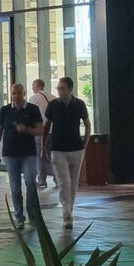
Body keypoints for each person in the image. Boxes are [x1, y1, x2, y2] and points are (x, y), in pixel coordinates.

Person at [43, 76, 91, 230]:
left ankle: (69, 210)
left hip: (76, 148)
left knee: (73, 184)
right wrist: (44, 146)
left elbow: (87, 124)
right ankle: (67, 215)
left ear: (70, 89)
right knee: (64, 182)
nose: (59, 91)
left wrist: (85, 143)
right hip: (57, 148)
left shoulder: (79, 104)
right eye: (58, 88)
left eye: (62, 88)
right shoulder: (53, 105)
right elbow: (46, 125)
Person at [0, 83, 42, 230]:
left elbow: (40, 130)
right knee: (15, 187)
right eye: (13, 93)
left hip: (28, 153)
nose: (16, 96)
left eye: (19, 93)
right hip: (10, 153)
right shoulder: (5, 110)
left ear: (24, 93)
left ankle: (32, 216)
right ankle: (19, 217)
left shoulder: (33, 109)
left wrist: (26, 129)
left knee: (30, 182)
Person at [28, 79, 57, 188]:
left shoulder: (34, 98)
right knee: (52, 155)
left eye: (33, 86)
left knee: (40, 155)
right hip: (53, 131)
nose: (32, 88)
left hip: (40, 131)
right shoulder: (53, 97)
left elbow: (29, 115)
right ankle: (57, 179)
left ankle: (42, 180)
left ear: (37, 86)